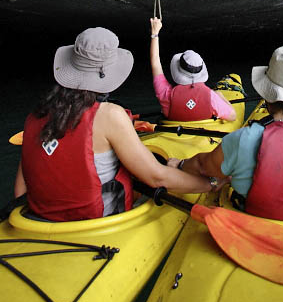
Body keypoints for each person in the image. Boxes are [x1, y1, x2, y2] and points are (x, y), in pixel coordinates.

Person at [14, 26, 220, 222]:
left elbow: (20, 190)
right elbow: (157, 178)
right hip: (96, 222)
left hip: (38, 220)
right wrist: (209, 184)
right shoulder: (110, 115)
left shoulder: (35, 116)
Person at [167, 46, 283, 223]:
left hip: (260, 227)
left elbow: (202, 166)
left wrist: (180, 164)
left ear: (267, 96)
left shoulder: (247, 137)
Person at [149, 17, 236, 122]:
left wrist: (155, 33)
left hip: (173, 128)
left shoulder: (166, 94)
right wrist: (220, 96)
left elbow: (155, 62)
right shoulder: (211, 97)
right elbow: (232, 117)